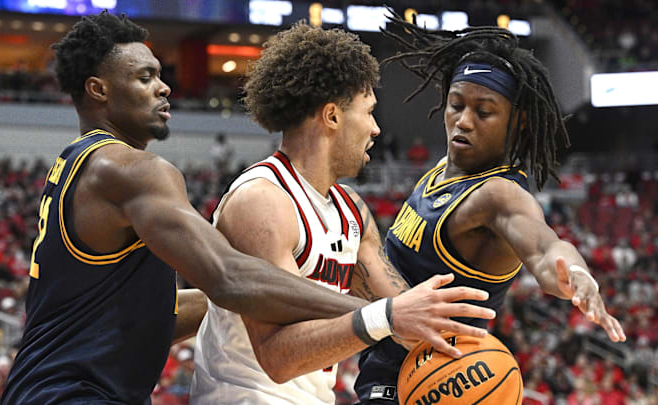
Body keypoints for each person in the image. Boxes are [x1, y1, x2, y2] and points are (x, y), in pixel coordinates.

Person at [0, 12, 392, 404]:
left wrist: (230, 311)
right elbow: (230, 277)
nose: (164, 87)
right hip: (73, 395)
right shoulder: (131, 171)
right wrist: (381, 315)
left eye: (160, 75)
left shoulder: (79, 163)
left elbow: (148, 312)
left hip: (45, 388)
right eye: (145, 77)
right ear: (98, 89)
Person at [190, 22, 497, 404]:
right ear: (332, 116)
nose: (376, 127)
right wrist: (386, 318)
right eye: (368, 112)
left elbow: (409, 320)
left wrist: (472, 357)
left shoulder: (351, 209)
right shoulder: (263, 203)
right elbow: (278, 358)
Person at [354, 15, 627, 404]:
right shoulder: (441, 171)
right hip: (385, 359)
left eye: (484, 112)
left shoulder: (498, 195)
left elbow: (547, 248)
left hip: (436, 380)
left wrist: (576, 275)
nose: (463, 121)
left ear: (518, 122)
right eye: (456, 104)